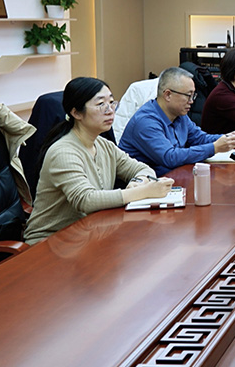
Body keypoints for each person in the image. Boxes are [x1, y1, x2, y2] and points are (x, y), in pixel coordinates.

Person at [24, 77, 174, 244]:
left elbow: (143, 169)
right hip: (50, 241)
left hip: (90, 232)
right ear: (76, 113)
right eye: (101, 104)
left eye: (111, 102)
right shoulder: (63, 152)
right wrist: (144, 191)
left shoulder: (103, 145)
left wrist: (137, 182)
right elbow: (86, 200)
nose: (110, 110)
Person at [119, 67, 235, 176]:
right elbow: (170, 157)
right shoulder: (146, 122)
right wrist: (214, 148)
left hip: (174, 177)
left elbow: (199, 138)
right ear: (168, 95)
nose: (192, 101)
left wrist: (228, 138)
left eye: (193, 95)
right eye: (188, 95)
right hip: (146, 185)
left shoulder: (180, 115)